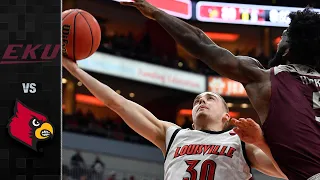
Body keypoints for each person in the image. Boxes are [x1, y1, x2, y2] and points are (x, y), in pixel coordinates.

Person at [120, 2, 320, 179]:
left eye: (283, 38)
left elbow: (201, 44)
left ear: (287, 50)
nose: (279, 40)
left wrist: (157, 13)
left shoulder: (263, 80)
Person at [62, 56, 286, 179]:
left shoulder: (240, 141)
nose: (201, 101)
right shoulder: (173, 135)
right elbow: (117, 103)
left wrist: (261, 143)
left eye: (210, 98)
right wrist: (76, 71)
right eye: (197, 100)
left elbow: (289, 173)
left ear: (227, 116)